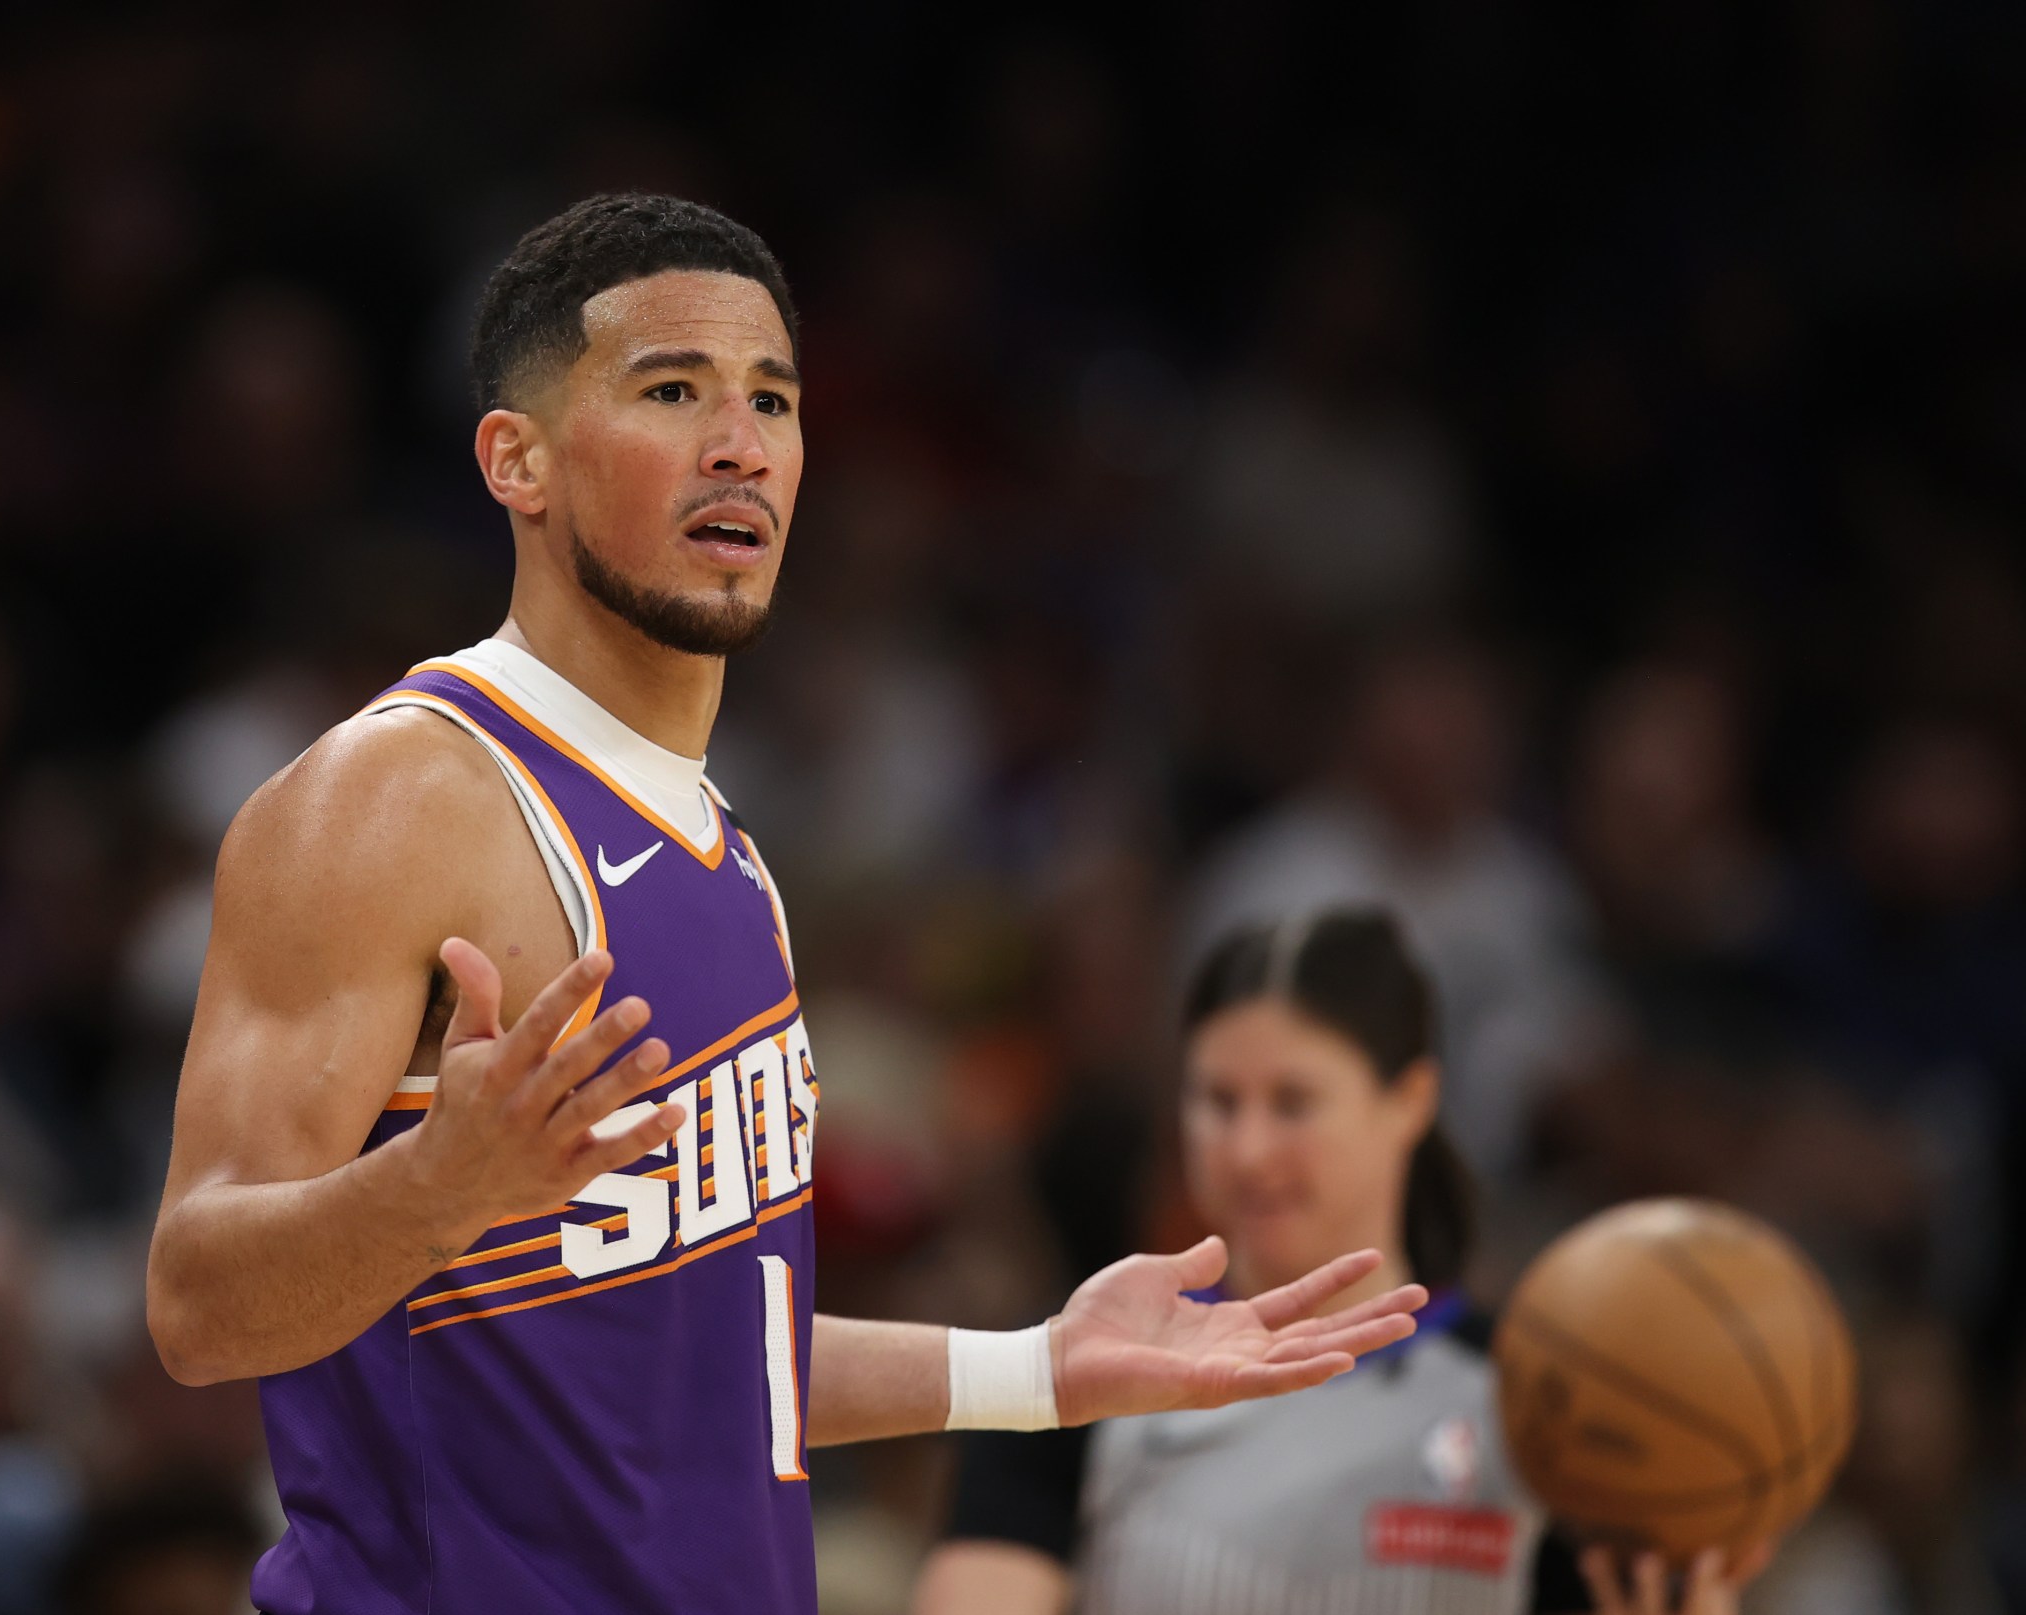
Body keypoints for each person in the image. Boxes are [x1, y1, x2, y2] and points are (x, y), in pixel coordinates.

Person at [143, 194, 1427, 1615]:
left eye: (772, 398)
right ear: (519, 460)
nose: (740, 443)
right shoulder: (399, 795)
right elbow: (198, 1304)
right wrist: (431, 1186)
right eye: (673, 390)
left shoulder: (725, 847)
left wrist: (1036, 1368)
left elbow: (707, 1360)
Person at [912, 907, 1774, 1615]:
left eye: (1294, 1102)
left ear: (1411, 1100)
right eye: (1217, 1100)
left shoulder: (1539, 1396)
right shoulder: (1087, 1368)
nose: (1247, 1149)